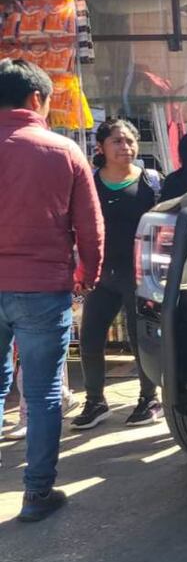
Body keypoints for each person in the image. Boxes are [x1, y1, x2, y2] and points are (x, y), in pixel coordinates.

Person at [0, 58, 103, 522]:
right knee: (42, 393)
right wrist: (89, 274)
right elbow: (90, 228)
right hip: (43, 288)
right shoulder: (62, 151)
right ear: (36, 99)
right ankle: (36, 494)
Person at [71, 118, 162, 430]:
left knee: (141, 340)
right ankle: (95, 401)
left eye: (130, 141)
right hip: (101, 275)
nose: (126, 147)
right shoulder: (89, 183)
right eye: (117, 141)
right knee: (90, 338)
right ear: (101, 147)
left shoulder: (151, 182)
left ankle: (149, 398)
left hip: (140, 275)